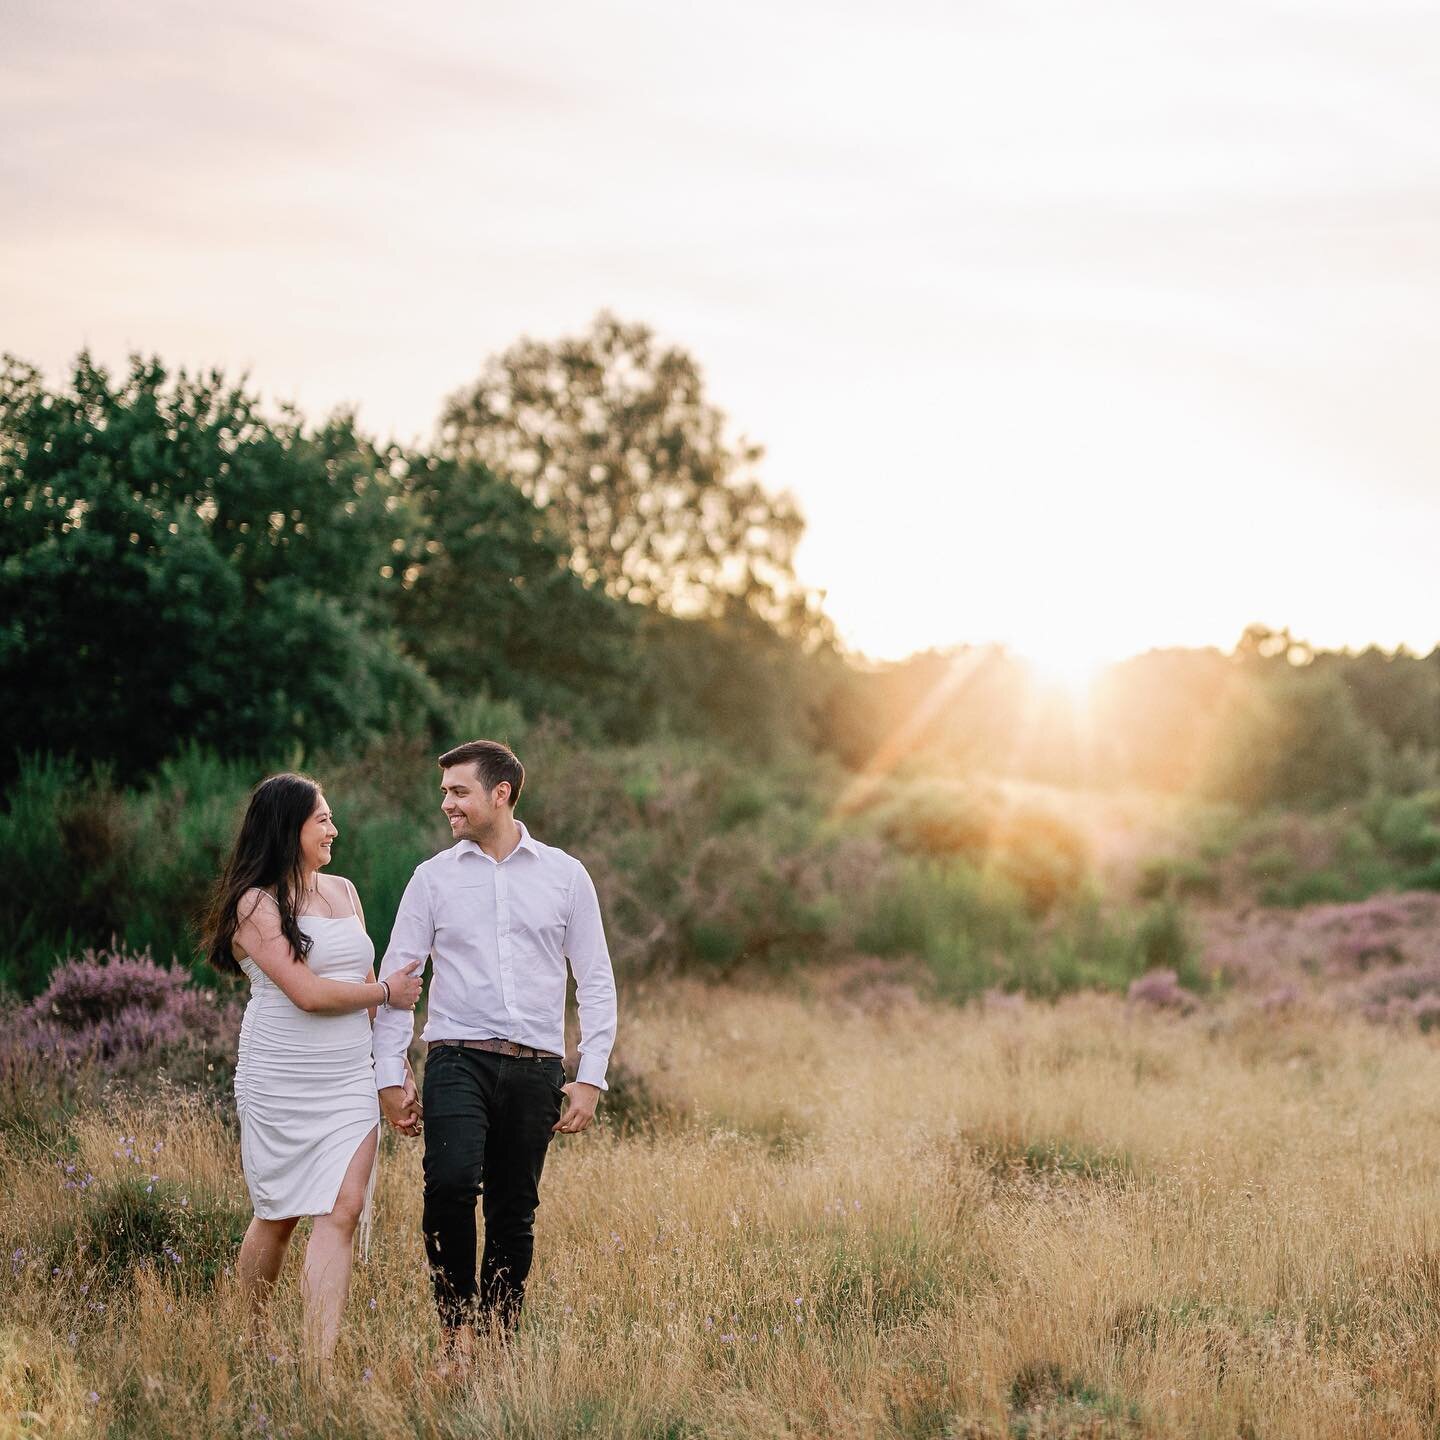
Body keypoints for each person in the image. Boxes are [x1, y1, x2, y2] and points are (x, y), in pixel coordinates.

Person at [374, 739, 617, 1360]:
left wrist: (590, 1076)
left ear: (500, 794)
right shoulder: (431, 879)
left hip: (537, 1067)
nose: (447, 804)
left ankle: (499, 1341)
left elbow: (594, 979)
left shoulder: (565, 875)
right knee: (449, 1186)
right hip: (457, 1057)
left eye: (459, 792)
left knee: (514, 1211)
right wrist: (389, 1075)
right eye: (445, 793)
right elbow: (397, 981)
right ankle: (455, 1333)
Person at [202, 772, 425, 1364]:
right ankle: (248, 1345)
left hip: (349, 1073)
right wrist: (386, 993)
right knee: (278, 1216)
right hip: (281, 1075)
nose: (334, 828)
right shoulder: (255, 903)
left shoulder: (345, 892)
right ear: (288, 826)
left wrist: (393, 1066)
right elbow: (304, 991)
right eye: (321, 818)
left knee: (343, 1208)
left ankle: (317, 1365)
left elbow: (355, 983)